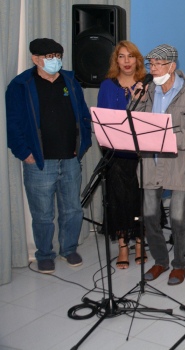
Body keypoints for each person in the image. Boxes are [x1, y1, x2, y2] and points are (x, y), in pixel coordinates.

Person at [6, 38, 92, 273]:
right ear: (36, 59)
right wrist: (25, 153)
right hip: (40, 162)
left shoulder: (71, 81)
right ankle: (44, 253)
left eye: (58, 55)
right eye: (49, 56)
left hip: (70, 158)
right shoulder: (21, 84)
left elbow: (84, 116)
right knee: (43, 214)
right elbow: (12, 124)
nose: (55, 60)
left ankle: (69, 249)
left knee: (72, 208)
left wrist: (82, 145)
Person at [139, 44, 185, 286]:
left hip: (181, 163)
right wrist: (136, 95)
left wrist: (172, 138)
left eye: (158, 64)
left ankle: (179, 264)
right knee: (150, 215)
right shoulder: (147, 90)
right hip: (151, 162)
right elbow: (133, 121)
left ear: (172, 66)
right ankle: (160, 261)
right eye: (151, 64)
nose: (153, 69)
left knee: (178, 218)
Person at [97, 40, 146, 269]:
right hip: (116, 154)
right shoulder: (108, 86)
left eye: (131, 56)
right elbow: (103, 123)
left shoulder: (148, 85)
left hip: (142, 153)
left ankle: (140, 242)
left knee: (140, 199)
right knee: (119, 200)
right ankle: (123, 246)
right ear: (116, 60)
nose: (127, 61)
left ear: (138, 59)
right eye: (122, 57)